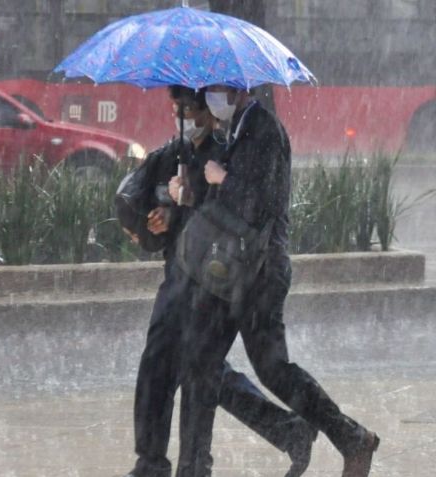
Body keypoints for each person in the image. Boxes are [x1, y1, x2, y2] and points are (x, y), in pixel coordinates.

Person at [174, 85, 380, 477]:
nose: (211, 98)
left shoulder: (264, 129)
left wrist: (220, 179)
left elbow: (257, 202)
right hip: (235, 272)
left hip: (261, 272)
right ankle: (198, 466)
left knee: (272, 369)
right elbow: (232, 202)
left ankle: (348, 437)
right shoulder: (237, 129)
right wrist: (194, 189)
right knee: (200, 362)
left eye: (217, 90)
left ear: (237, 89)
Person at [122, 86, 317, 477]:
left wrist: (190, 200)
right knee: (163, 363)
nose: (189, 118)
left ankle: (197, 463)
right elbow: (137, 202)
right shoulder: (172, 154)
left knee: (202, 370)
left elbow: (234, 211)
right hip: (178, 273)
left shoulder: (231, 149)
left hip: (212, 276)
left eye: (194, 109)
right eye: (180, 109)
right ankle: (154, 462)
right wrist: (157, 220)